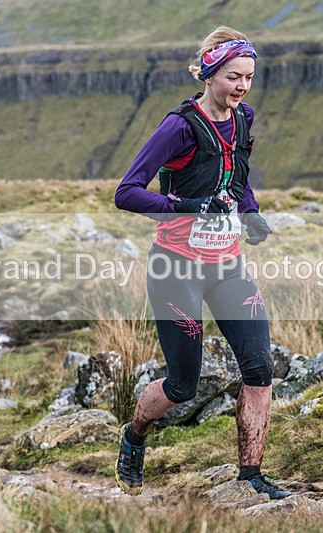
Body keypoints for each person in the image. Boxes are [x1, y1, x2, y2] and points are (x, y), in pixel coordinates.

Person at [113, 27, 290, 500]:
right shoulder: (180, 127)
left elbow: (238, 178)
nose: (242, 87)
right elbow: (126, 193)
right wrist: (189, 206)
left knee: (259, 369)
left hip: (228, 266)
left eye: (249, 77)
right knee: (183, 385)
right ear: (209, 72)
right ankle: (134, 437)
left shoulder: (243, 119)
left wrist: (249, 213)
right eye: (234, 76)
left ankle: (251, 478)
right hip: (177, 270)